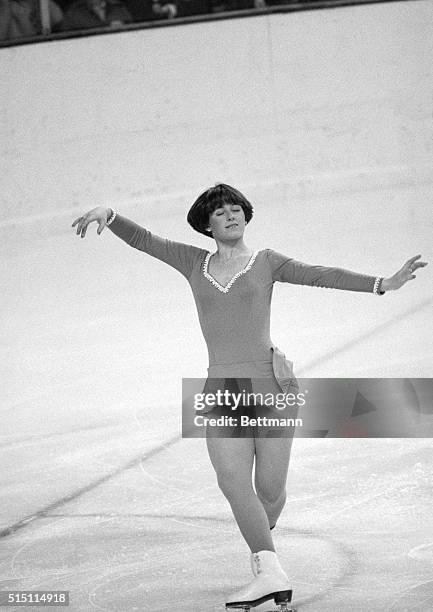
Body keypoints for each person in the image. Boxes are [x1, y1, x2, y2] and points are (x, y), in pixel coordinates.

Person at [71, 184, 427, 609]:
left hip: (271, 384)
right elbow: (147, 241)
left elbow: (320, 274)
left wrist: (382, 283)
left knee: (271, 490)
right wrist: (110, 215)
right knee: (232, 479)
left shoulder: (266, 263)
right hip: (222, 386)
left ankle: (263, 551)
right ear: (207, 224)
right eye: (220, 212)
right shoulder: (192, 262)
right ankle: (269, 568)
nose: (231, 216)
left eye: (236, 209)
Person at [60, 0, 132, 31]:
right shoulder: (74, 13)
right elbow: (64, 39)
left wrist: (122, 28)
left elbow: (132, 32)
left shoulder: (117, 7)